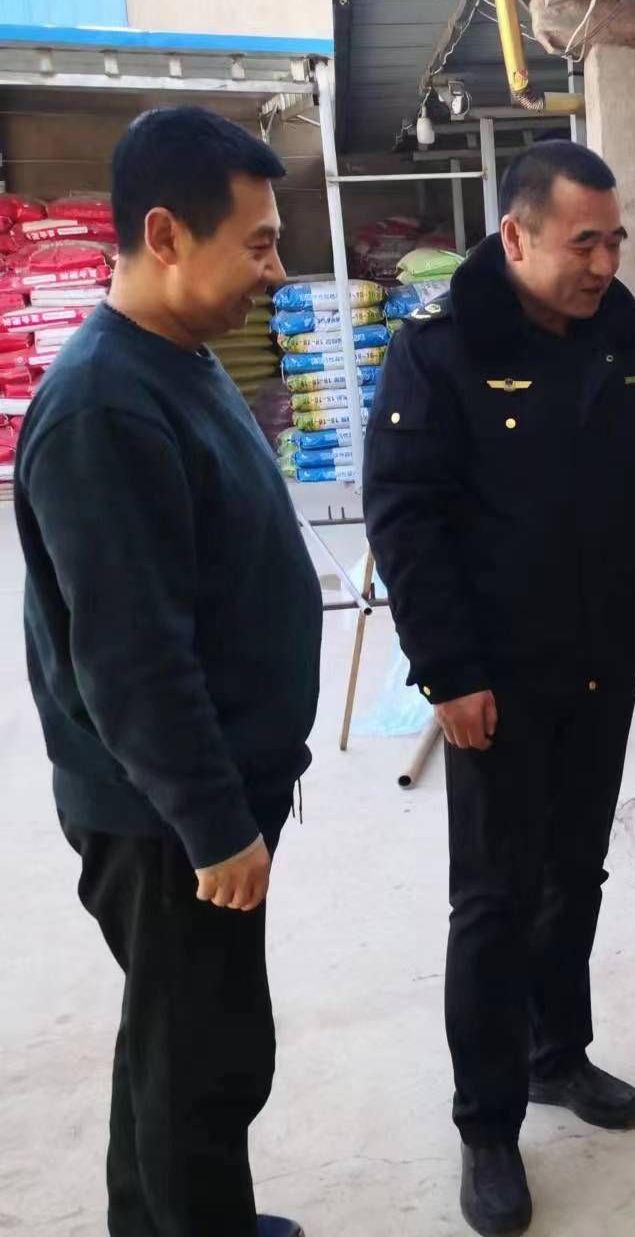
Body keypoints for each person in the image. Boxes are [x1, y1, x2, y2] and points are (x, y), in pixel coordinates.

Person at [364, 139, 635, 1237]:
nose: (604, 263)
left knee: (576, 871)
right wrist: (449, 672)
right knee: (494, 898)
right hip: (499, 682)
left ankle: (557, 1055)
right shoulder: (440, 350)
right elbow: (405, 519)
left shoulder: (629, 337)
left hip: (602, 660)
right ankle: (487, 1124)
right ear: (515, 237)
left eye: (615, 241)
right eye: (582, 243)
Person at [15, 107, 317, 1236]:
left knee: (172, 1042)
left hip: (202, 793)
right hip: (164, 817)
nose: (277, 269)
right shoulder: (104, 406)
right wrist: (215, 826)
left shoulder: (176, 360)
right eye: (259, 242)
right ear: (164, 234)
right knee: (203, 1066)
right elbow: (131, 657)